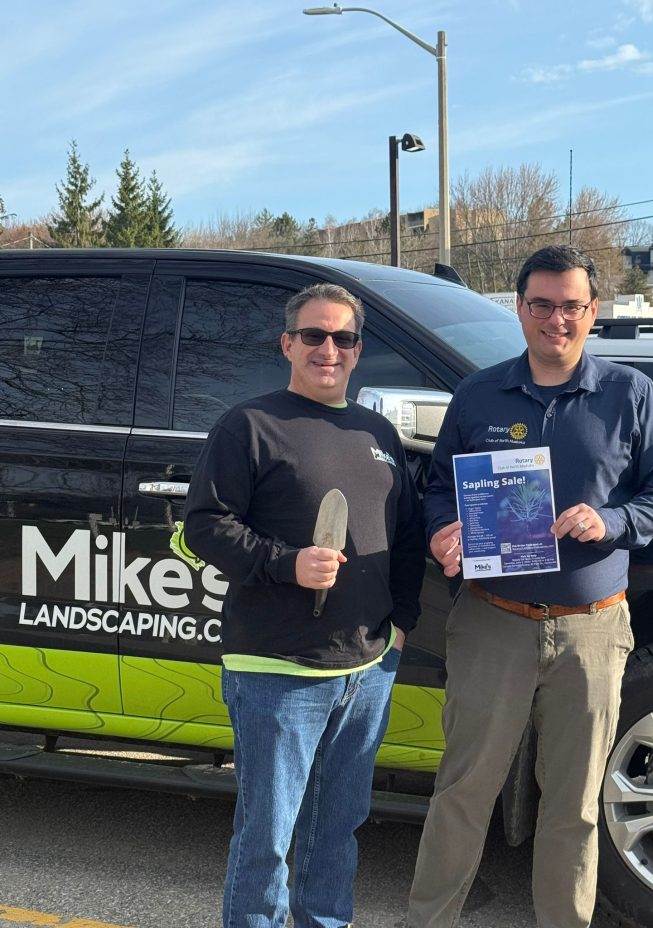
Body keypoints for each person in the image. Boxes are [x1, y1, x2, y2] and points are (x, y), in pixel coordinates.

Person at [407, 245, 653, 928]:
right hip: (492, 621)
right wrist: (443, 529)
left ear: (592, 311)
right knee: (462, 793)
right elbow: (439, 486)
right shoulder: (479, 394)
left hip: (591, 629)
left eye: (570, 306)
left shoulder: (630, 395)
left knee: (573, 806)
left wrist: (614, 520)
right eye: (541, 304)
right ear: (520, 308)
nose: (555, 319)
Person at [183, 282, 425, 928]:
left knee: (335, 833)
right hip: (277, 670)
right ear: (287, 344)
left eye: (343, 338)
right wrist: (285, 563)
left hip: (365, 670)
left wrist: (401, 626)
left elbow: (406, 537)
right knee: (267, 839)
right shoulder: (249, 425)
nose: (329, 349)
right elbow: (204, 525)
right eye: (314, 335)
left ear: (358, 350)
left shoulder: (378, 433)